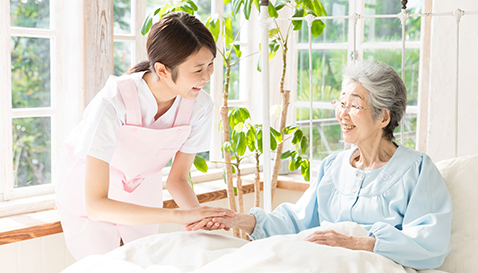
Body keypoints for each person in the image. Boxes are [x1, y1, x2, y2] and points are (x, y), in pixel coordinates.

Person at [189, 60, 453, 270]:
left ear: (383, 117)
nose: (342, 113)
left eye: (354, 105)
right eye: (341, 103)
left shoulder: (417, 169)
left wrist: (356, 243)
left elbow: (430, 246)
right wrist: (240, 220)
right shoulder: (333, 166)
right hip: (320, 259)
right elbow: (296, 222)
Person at [56, 12, 234, 260]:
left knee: (143, 261)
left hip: (141, 187)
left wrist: (200, 217)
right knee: (102, 264)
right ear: (162, 70)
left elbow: (178, 179)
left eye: (211, 65)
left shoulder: (200, 105)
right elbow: (96, 205)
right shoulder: (112, 102)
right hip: (89, 192)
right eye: (197, 69)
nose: (206, 77)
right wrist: (179, 216)